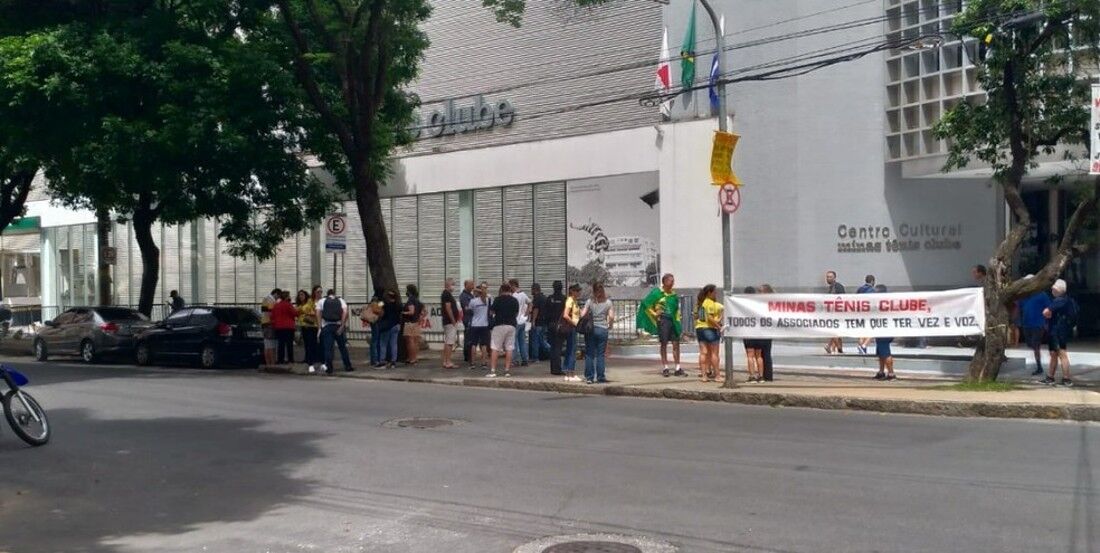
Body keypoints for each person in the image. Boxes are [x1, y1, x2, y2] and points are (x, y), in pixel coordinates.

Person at [638, 273, 684, 377]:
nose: (673, 283)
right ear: (665, 282)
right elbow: (646, 303)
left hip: (674, 321)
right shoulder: (657, 293)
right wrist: (654, 314)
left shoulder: (673, 294)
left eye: (673, 281)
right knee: (664, 344)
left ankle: (677, 367)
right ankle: (665, 367)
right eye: (671, 281)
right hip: (663, 321)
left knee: (676, 344)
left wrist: (678, 320)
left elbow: (676, 309)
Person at [1042, 279, 1078, 387]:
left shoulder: (1059, 301)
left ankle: (1066, 378)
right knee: (1053, 354)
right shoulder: (1067, 300)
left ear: (1058, 290)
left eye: (1054, 288)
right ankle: (1050, 376)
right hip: (1060, 330)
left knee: (1062, 354)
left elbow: (1045, 312)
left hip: (1057, 331)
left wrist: (1048, 315)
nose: (1052, 290)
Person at [581, 282, 615, 384]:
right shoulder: (608, 302)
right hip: (603, 329)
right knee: (600, 354)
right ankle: (600, 377)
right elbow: (612, 317)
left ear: (593, 290)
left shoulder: (589, 302)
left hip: (591, 329)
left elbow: (583, 315)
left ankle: (589, 377)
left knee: (589, 354)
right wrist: (610, 325)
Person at [1018, 275, 1051, 377]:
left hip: (1038, 324)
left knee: (1036, 345)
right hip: (1026, 323)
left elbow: (1049, 307)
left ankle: (1039, 366)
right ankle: (1039, 362)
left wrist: (1046, 322)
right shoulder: (1023, 296)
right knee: (1030, 345)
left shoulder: (1041, 295)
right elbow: (1019, 308)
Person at [315, 288, 353, 374]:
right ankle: (348, 366)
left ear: (327, 294)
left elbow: (318, 313)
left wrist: (319, 327)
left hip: (327, 326)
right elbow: (345, 312)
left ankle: (329, 368)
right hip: (338, 325)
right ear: (334, 294)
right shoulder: (340, 300)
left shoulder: (322, 301)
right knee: (342, 347)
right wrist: (342, 326)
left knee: (328, 348)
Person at [487, 284, 519, 378]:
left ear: (501, 290)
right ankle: (507, 371)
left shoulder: (498, 299)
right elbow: (516, 313)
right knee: (509, 348)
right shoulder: (514, 300)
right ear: (510, 290)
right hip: (511, 325)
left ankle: (493, 371)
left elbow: (491, 312)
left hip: (499, 325)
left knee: (495, 348)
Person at [693, 284, 723, 383]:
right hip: (709, 329)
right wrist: (719, 326)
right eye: (714, 292)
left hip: (699, 328)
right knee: (714, 353)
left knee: (703, 352)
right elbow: (709, 318)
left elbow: (698, 317)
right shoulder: (709, 302)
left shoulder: (701, 304)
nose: (716, 294)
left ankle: (704, 375)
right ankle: (717, 375)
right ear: (709, 293)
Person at [872, 284, 897, 381]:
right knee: (880, 353)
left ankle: (891, 373)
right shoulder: (887, 303)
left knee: (885, 353)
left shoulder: (884, 304)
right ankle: (881, 372)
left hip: (884, 330)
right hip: (880, 330)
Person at [560, 283, 582, 382]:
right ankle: (571, 372)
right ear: (572, 291)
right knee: (572, 350)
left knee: (570, 349)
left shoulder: (574, 301)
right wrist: (573, 322)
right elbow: (565, 314)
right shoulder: (570, 301)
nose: (578, 292)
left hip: (573, 327)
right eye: (577, 291)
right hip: (571, 327)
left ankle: (568, 373)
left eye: (579, 291)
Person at [741, 286, 764, 383]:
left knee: (750, 355)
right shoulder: (759, 303)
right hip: (758, 331)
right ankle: (761, 376)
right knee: (759, 355)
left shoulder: (742, 304)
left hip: (748, 331)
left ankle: (752, 376)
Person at [545, 281, 567, 375]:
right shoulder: (564, 299)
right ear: (561, 288)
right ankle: (557, 369)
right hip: (560, 325)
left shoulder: (550, 298)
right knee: (558, 347)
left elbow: (545, 312)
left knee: (553, 347)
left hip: (551, 325)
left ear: (553, 288)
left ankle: (552, 368)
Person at [466, 285, 491, 369]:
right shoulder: (487, 300)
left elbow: (469, 310)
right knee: (484, 345)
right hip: (484, 324)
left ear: (477, 292)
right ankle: (483, 363)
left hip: (474, 324)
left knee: (473, 344)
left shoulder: (473, 301)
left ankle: (473, 363)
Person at [377, 290, 402, 369]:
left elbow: (377, 306)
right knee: (394, 344)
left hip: (386, 325)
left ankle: (382, 362)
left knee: (383, 344)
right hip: (396, 325)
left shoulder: (384, 303)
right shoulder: (398, 304)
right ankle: (393, 362)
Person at [271, 290, 297, 365]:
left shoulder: (276, 305)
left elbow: (272, 316)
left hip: (279, 327)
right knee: (289, 344)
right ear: (287, 297)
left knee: (281, 344)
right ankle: (290, 360)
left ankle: (280, 360)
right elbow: (294, 313)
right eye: (289, 295)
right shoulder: (288, 304)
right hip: (289, 327)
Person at [509, 279, 531, 367]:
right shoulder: (523, 294)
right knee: (522, 341)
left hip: (515, 321)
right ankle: (525, 359)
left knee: (514, 342)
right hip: (522, 321)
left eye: (510, 285)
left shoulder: (513, 296)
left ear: (513, 285)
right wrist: (526, 314)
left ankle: (515, 360)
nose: (509, 287)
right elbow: (530, 303)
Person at [297, 289, 320, 373]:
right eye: (299, 295)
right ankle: (307, 359)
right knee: (306, 344)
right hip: (303, 325)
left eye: (302, 295)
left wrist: (308, 313)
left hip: (311, 325)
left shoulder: (310, 302)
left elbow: (315, 311)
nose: (301, 297)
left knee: (311, 343)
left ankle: (312, 360)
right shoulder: (300, 304)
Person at [440, 278, 461, 369]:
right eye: (453, 284)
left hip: (448, 321)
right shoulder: (447, 294)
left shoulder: (446, 294)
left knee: (448, 341)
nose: (454, 286)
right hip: (449, 322)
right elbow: (448, 308)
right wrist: (453, 321)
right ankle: (448, 362)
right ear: (448, 284)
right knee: (450, 342)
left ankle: (445, 361)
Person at [402, 284, 424, 365]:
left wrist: (403, 312)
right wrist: (419, 319)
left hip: (409, 322)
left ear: (409, 291)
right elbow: (423, 312)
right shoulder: (417, 300)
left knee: (410, 341)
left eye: (406, 290)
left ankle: (411, 358)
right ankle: (415, 358)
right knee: (415, 342)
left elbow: (411, 312)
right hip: (416, 323)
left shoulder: (410, 300)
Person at [823, 271, 845, 355]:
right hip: (832, 314)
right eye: (827, 277)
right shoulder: (831, 287)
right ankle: (837, 348)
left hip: (837, 313)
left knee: (836, 331)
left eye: (830, 277)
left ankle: (836, 348)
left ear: (834, 278)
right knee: (837, 331)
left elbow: (843, 299)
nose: (828, 278)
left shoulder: (838, 287)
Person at [758, 283, 776, 381]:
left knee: (766, 353)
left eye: (760, 291)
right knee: (763, 353)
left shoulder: (768, 302)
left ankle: (767, 375)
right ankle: (765, 374)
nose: (758, 293)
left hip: (766, 330)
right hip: (762, 330)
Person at [362, 292, 384, 367]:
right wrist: (381, 307)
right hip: (375, 322)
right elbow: (378, 311)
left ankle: (375, 359)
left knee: (375, 341)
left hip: (374, 322)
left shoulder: (372, 303)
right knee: (375, 341)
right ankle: (374, 360)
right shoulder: (375, 303)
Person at [260, 288, 281, 367]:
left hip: (264, 323)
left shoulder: (265, 299)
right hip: (269, 324)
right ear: (276, 294)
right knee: (271, 345)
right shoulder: (271, 300)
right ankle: (272, 364)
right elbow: (272, 313)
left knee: (267, 345)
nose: (278, 298)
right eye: (278, 296)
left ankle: (268, 364)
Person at [856, 275, 875, 354]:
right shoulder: (872, 290)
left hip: (860, 313)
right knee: (872, 331)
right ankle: (864, 346)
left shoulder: (860, 289)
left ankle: (861, 347)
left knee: (862, 331)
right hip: (869, 313)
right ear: (872, 281)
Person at [530, 283, 549, 363]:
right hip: (544, 322)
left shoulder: (536, 298)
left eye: (532, 289)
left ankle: (535, 357)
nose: (531, 291)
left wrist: (533, 321)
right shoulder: (545, 298)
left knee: (535, 340)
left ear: (535, 289)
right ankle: (552, 351)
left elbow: (536, 310)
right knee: (542, 340)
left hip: (538, 322)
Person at [459, 279, 476, 365]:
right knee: (468, 338)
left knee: (472, 338)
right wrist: (475, 307)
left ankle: (470, 355)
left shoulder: (471, 295)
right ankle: (467, 356)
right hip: (468, 319)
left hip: (473, 319)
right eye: (471, 284)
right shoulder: (464, 296)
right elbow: (466, 308)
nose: (473, 286)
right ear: (466, 285)